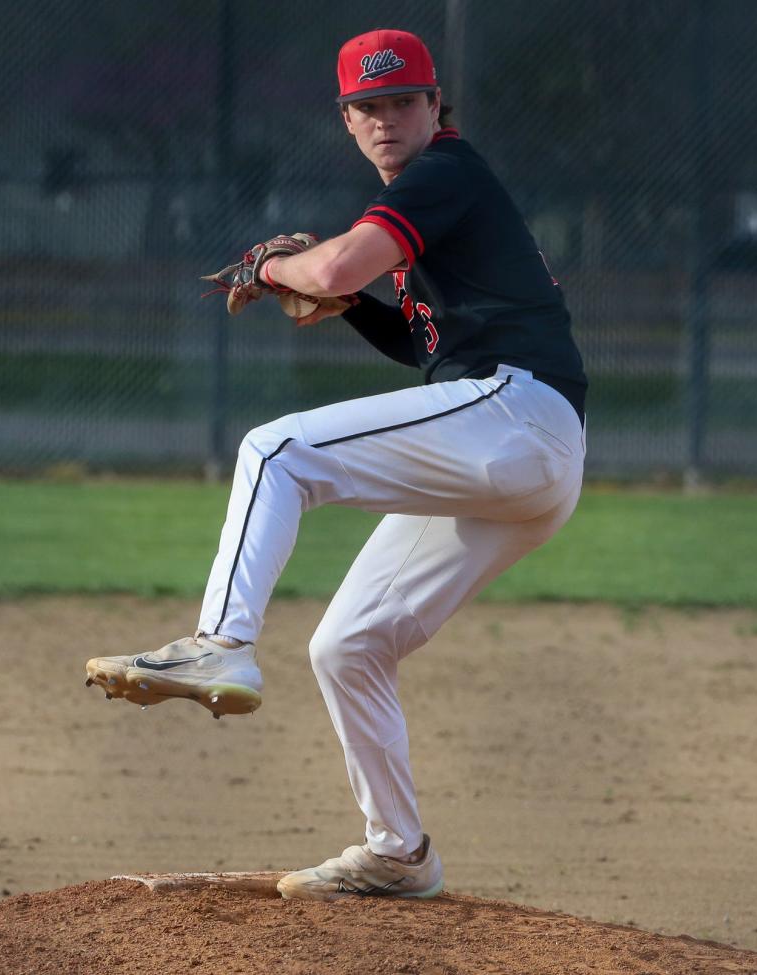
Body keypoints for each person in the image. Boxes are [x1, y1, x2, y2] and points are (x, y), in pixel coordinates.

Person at [86, 27, 587, 902]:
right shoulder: (438, 198)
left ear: (436, 108)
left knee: (274, 449)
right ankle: (398, 850)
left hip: (517, 414)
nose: (388, 119)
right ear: (348, 120)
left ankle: (222, 644)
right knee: (349, 645)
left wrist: (280, 263)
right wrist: (345, 299)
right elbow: (420, 343)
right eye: (369, 105)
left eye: (404, 101)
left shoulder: (445, 172)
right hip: (518, 445)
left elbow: (342, 261)